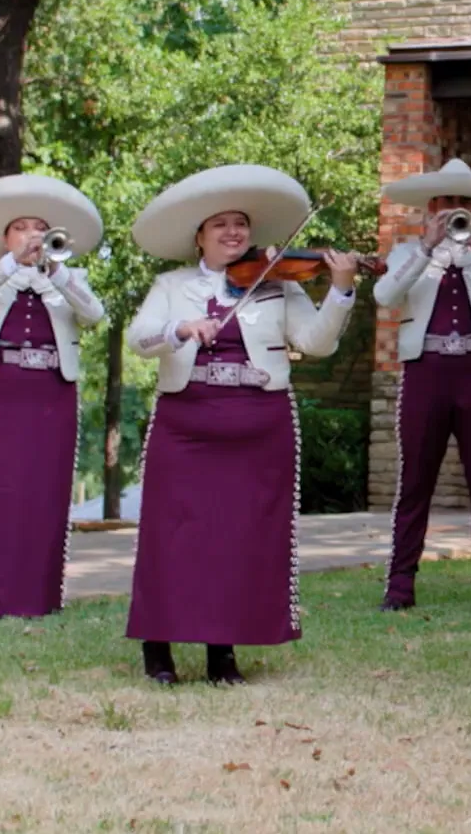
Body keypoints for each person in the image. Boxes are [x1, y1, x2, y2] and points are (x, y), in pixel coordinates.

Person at [124, 165, 362, 685]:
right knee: (172, 535)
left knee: (238, 540)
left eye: (241, 224)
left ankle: (221, 652)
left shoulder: (277, 283)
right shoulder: (172, 285)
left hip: (258, 426)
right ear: (199, 237)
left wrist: (340, 290)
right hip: (185, 423)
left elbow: (317, 344)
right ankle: (157, 645)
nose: (234, 233)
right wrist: (180, 328)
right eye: (221, 225)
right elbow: (138, 340)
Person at [371, 158, 471, 611]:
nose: (452, 211)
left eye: (462, 205)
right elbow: (384, 297)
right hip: (426, 370)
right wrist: (425, 248)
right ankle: (400, 584)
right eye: (443, 204)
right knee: (415, 480)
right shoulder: (407, 251)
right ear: (429, 209)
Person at [0, 174, 107, 618]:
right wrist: (9, 264)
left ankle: (38, 596)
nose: (32, 236)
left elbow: (94, 315)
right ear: (6, 237)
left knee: (43, 490)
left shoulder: (68, 274)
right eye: (21, 228)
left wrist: (55, 272)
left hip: (50, 391)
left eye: (39, 228)